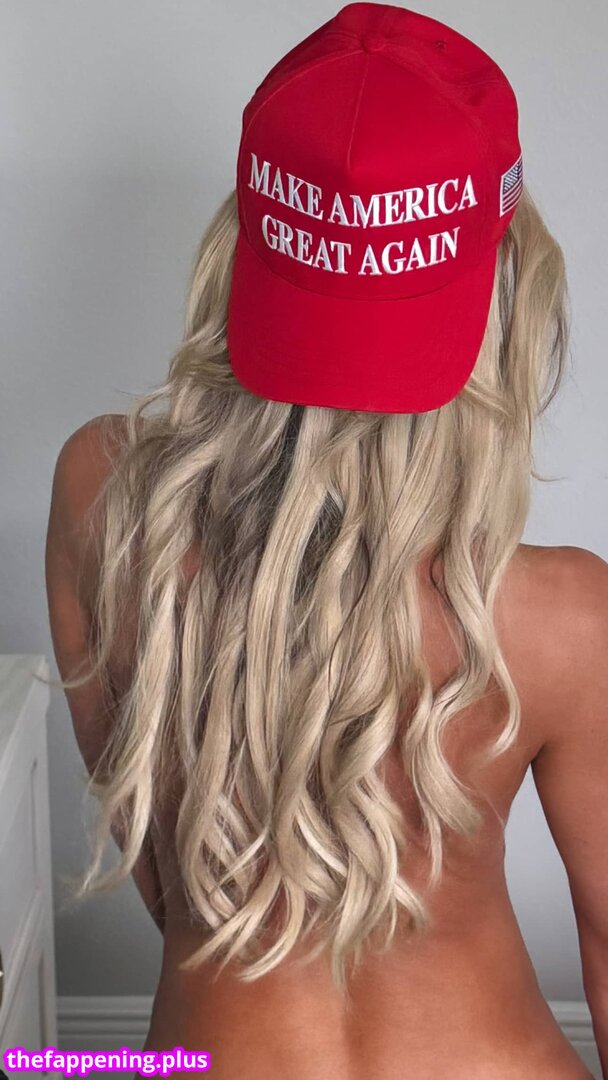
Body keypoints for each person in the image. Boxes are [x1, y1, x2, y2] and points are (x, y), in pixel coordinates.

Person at [44, 4, 608, 1079]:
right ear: (505, 288)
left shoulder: (102, 504)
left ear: (243, 255)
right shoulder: (564, 617)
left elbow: (171, 879)